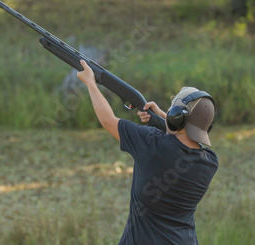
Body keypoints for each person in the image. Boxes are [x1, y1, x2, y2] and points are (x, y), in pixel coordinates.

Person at [77, 60, 219, 245]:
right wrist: (162, 117)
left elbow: (108, 121)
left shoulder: (152, 142)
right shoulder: (209, 162)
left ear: (178, 116)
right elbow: (182, 139)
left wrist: (90, 83)